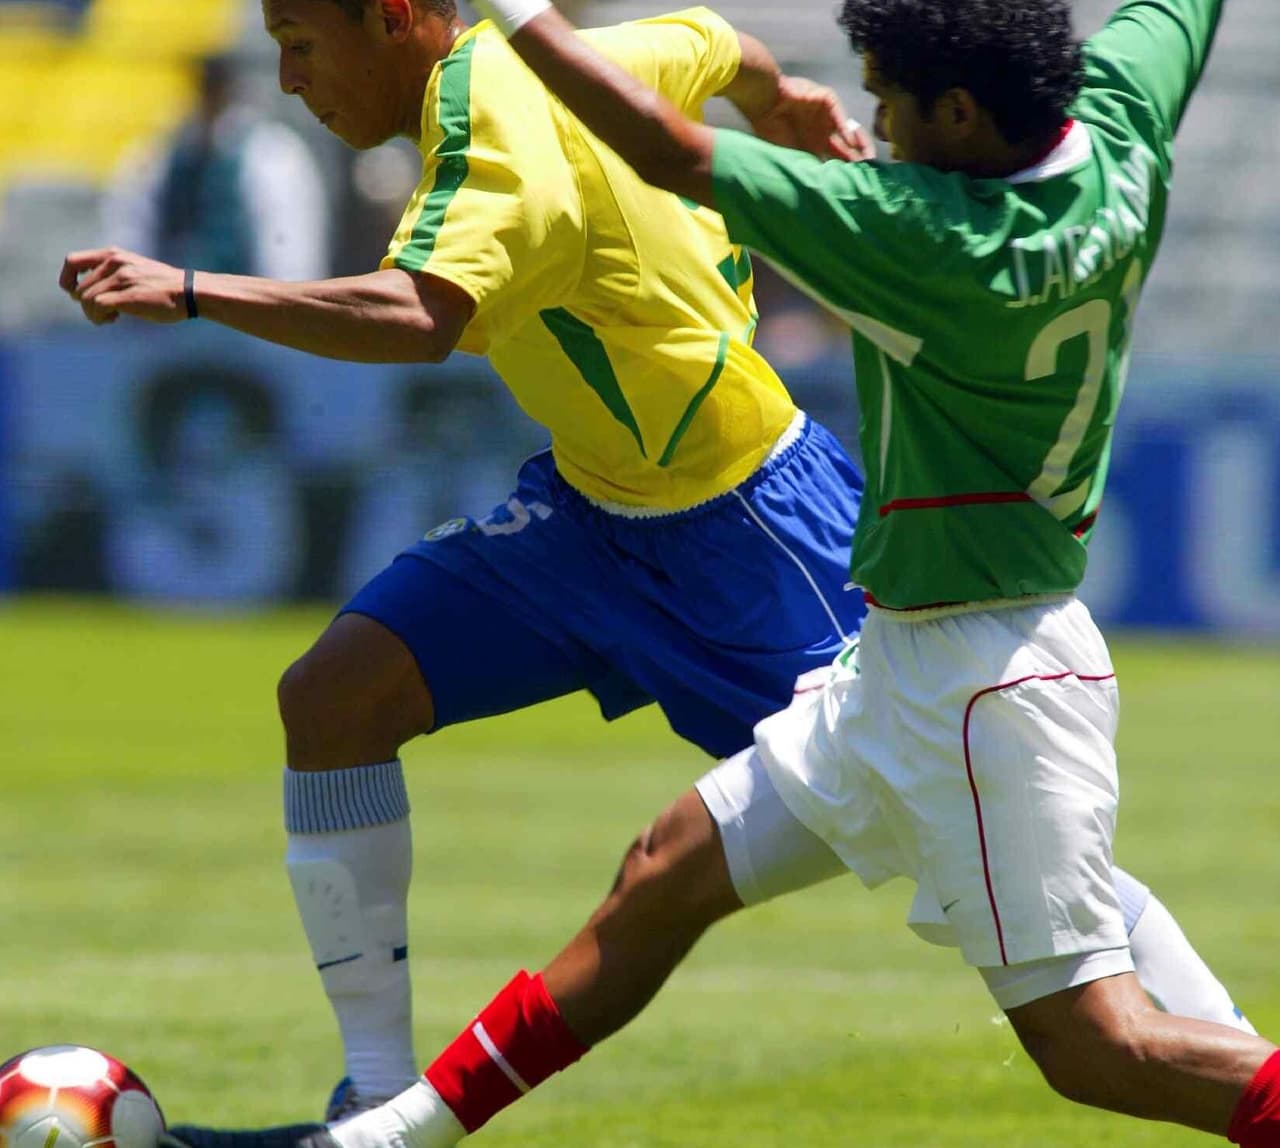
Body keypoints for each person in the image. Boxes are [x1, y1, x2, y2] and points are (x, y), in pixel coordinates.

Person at [61, 0, 1265, 1140]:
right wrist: (779, 89)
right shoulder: (591, 55)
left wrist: (194, 288)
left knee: (1013, 911)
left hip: (755, 528)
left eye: (297, 38)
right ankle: (374, 1101)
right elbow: (709, 43)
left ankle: (1239, 1058)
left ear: (394, 16)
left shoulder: (497, 125)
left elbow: (421, 313)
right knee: (338, 698)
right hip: (590, 513)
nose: (286, 76)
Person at [102, 53, 329, 283]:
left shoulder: (271, 154)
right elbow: (132, 234)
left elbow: (287, 251)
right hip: (170, 304)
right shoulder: (158, 154)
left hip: (241, 308)